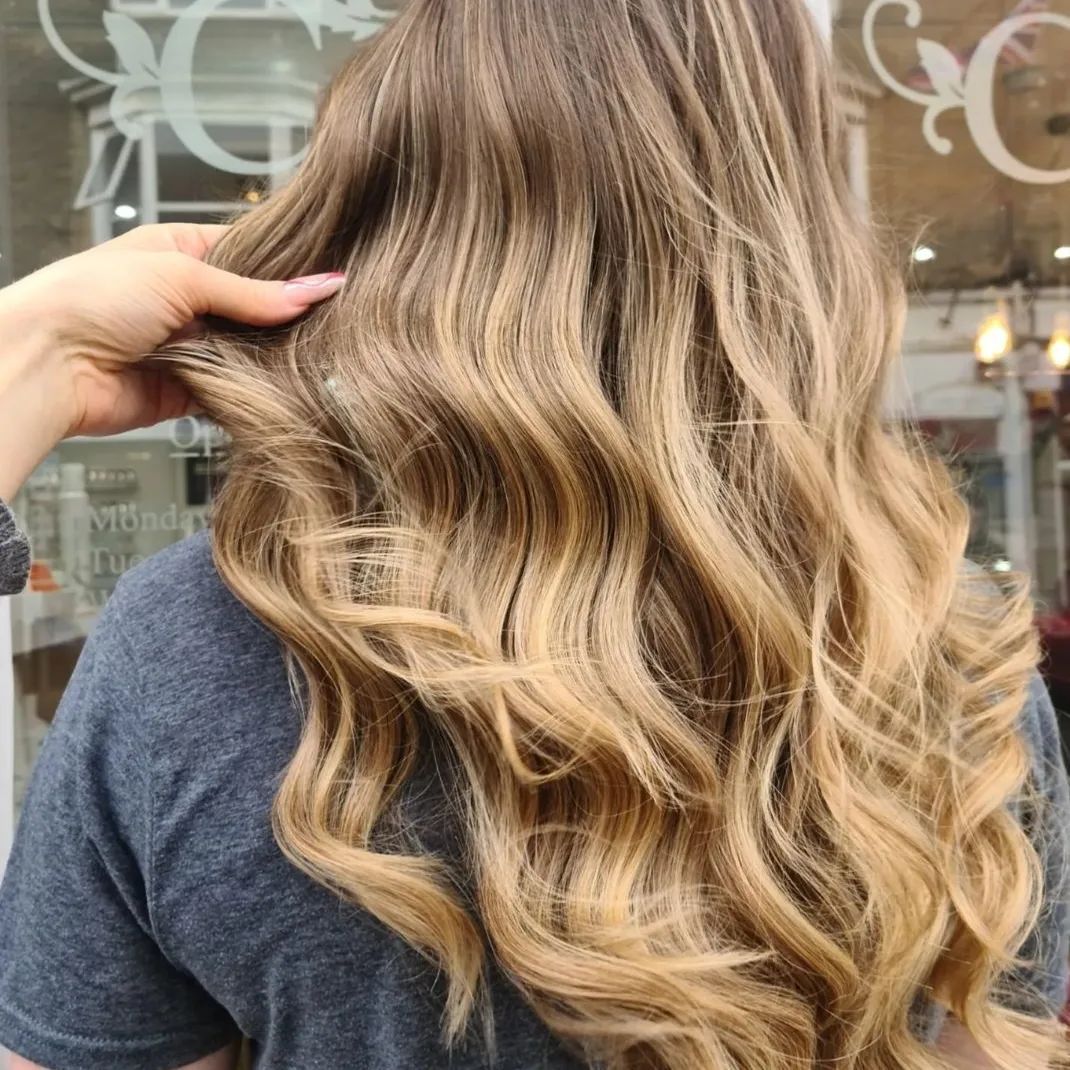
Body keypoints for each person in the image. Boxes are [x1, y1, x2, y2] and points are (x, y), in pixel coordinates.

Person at [0, 1, 1066, 1069]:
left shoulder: (195, 642)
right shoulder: (949, 647)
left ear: (391, 217)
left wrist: (30, 355)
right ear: (791, 227)